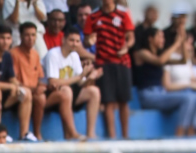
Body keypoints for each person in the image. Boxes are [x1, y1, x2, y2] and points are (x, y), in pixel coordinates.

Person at [133, 25, 196, 136]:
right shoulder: (141, 53)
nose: (163, 40)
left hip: (160, 93)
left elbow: (183, 61)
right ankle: (180, 134)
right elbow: (160, 61)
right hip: (148, 95)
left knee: (192, 97)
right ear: (150, 38)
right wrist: (176, 43)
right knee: (188, 98)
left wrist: (181, 41)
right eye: (160, 37)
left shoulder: (160, 55)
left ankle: (190, 131)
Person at [85, 0, 132, 138]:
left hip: (122, 62)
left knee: (124, 100)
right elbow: (87, 39)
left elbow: (131, 37)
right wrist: (89, 41)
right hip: (103, 62)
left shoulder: (123, 14)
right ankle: (112, 137)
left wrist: (127, 46)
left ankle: (125, 136)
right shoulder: (93, 17)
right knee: (108, 102)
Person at [42, 27, 100, 139]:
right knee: (67, 90)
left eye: (78, 41)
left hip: (68, 94)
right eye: (71, 40)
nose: (75, 44)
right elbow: (53, 82)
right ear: (63, 40)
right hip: (47, 95)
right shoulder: (53, 54)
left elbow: (80, 83)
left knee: (94, 91)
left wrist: (90, 77)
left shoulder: (74, 56)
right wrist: (80, 76)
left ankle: (91, 133)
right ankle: (72, 133)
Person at [0, 23, 33, 138]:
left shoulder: (7, 55)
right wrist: (11, 87)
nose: (5, 42)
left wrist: (17, 87)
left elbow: (12, 79)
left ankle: (24, 134)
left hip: (6, 97)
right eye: (2, 38)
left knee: (26, 93)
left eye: (8, 38)